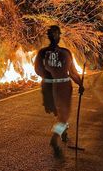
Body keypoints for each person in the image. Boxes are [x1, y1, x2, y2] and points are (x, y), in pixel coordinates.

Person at [34, 25, 85, 156]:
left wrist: (49, 77)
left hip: (47, 87)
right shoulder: (66, 52)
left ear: (49, 36)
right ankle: (54, 139)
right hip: (62, 87)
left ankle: (63, 132)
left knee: (58, 113)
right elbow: (73, 72)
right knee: (64, 116)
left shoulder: (42, 53)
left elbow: (38, 71)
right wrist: (80, 84)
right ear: (59, 37)